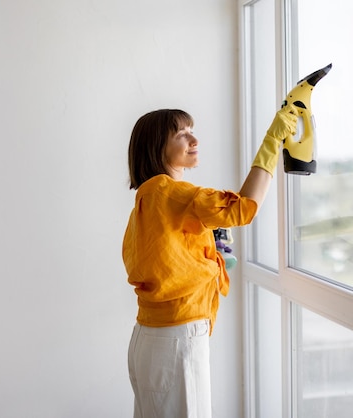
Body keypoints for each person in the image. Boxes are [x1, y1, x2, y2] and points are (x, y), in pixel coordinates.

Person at [122, 104, 298, 418]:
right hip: (177, 339)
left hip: (148, 339)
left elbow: (166, 255)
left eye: (192, 130)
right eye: (181, 134)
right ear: (157, 147)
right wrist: (274, 140)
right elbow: (243, 208)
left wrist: (208, 248)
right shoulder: (174, 193)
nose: (194, 140)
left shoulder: (149, 197)